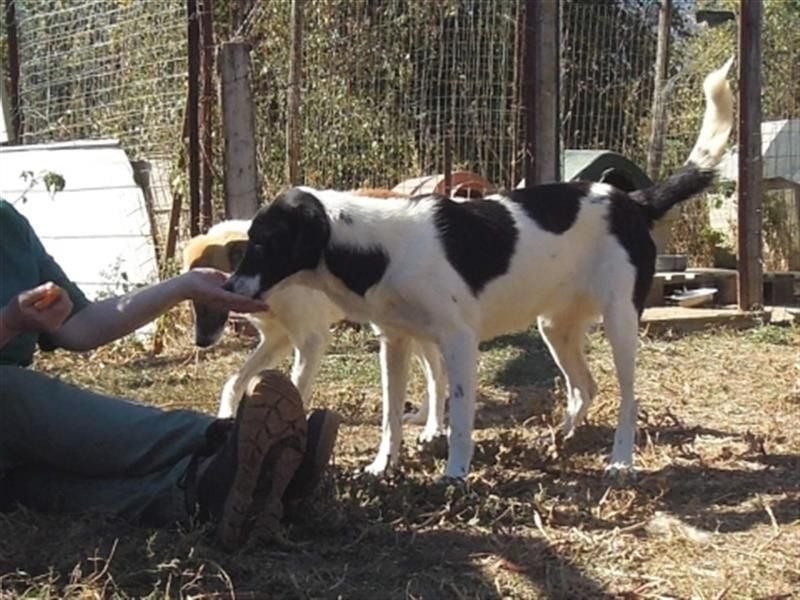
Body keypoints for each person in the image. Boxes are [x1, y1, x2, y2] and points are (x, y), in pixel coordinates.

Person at [0, 198, 340, 549]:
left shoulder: (8, 224)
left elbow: (79, 327)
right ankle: (226, 441)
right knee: (7, 392)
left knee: (32, 486)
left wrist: (183, 287)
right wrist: (9, 323)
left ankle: (205, 489)